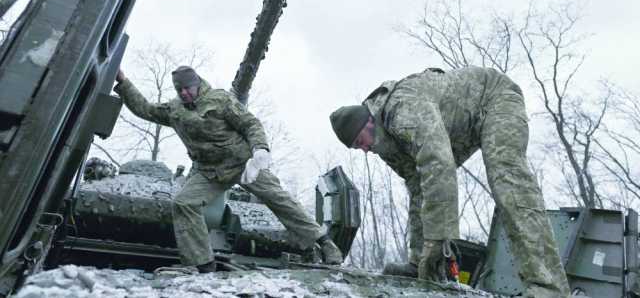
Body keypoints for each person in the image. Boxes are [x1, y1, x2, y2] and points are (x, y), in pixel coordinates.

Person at [329, 66, 570, 298]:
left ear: (368, 123)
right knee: (423, 182)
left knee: (508, 181)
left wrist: (437, 239)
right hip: (461, 128)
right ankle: (417, 261)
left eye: (360, 141)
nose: (364, 149)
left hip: (495, 98)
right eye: (356, 147)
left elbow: (438, 165)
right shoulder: (384, 144)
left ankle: (548, 287)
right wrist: (420, 256)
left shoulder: (403, 110)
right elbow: (418, 185)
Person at [114, 66, 342, 272]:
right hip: (209, 172)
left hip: (243, 164)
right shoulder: (175, 110)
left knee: (279, 199)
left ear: (197, 84)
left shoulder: (220, 100)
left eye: (188, 88)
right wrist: (123, 81)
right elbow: (145, 109)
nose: (184, 93)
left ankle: (325, 244)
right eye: (179, 90)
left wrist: (260, 150)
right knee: (183, 203)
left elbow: (250, 123)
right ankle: (202, 263)